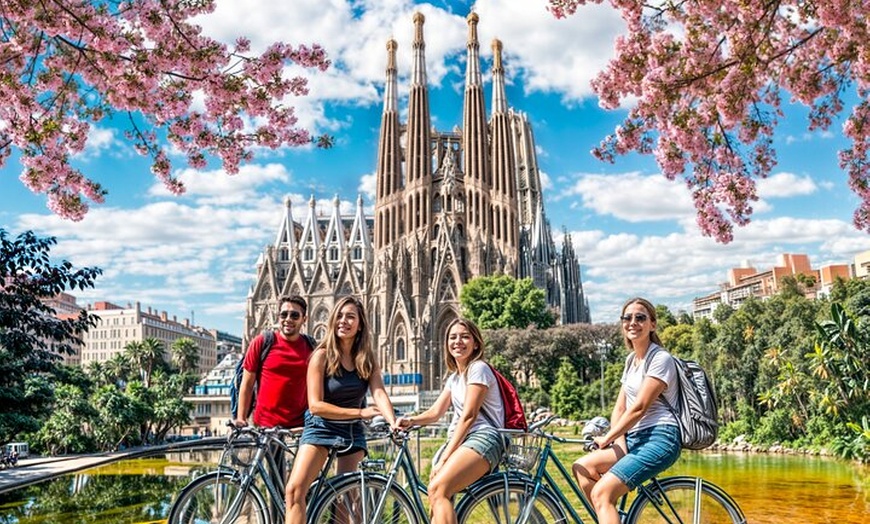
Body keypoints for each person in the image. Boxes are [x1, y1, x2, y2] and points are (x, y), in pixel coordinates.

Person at [284, 295, 398, 524]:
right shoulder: (321, 355)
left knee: (345, 498)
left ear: (360, 324)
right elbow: (315, 405)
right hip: (321, 427)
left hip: (351, 432)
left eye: (350, 317)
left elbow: (378, 392)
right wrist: (360, 413)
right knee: (295, 491)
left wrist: (393, 421)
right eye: (340, 316)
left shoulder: (366, 359)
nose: (343, 321)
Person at [572, 297, 681, 524]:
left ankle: (607, 508)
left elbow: (639, 408)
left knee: (602, 493)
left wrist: (607, 437)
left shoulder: (661, 358)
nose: (633, 322)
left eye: (640, 317)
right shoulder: (632, 360)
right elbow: (620, 407)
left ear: (653, 324)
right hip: (633, 439)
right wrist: (618, 440)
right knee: (582, 467)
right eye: (627, 317)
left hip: (661, 438)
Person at [396, 317, 506, 524]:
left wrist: (445, 456)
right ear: (446, 344)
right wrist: (409, 420)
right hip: (466, 441)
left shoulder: (478, 369)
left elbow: (469, 416)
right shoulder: (455, 377)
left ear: (476, 344)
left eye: (465, 337)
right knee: (436, 495)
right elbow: (436, 412)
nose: (458, 342)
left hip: (484, 438)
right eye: (453, 337)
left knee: (439, 489)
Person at [233, 295, 315, 522]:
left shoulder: (311, 347)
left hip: (300, 430)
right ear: (278, 316)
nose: (288, 319)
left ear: (304, 319)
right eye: (284, 314)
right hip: (268, 429)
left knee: (300, 489)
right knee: (275, 489)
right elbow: (247, 384)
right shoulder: (263, 341)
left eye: (294, 315)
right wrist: (241, 418)